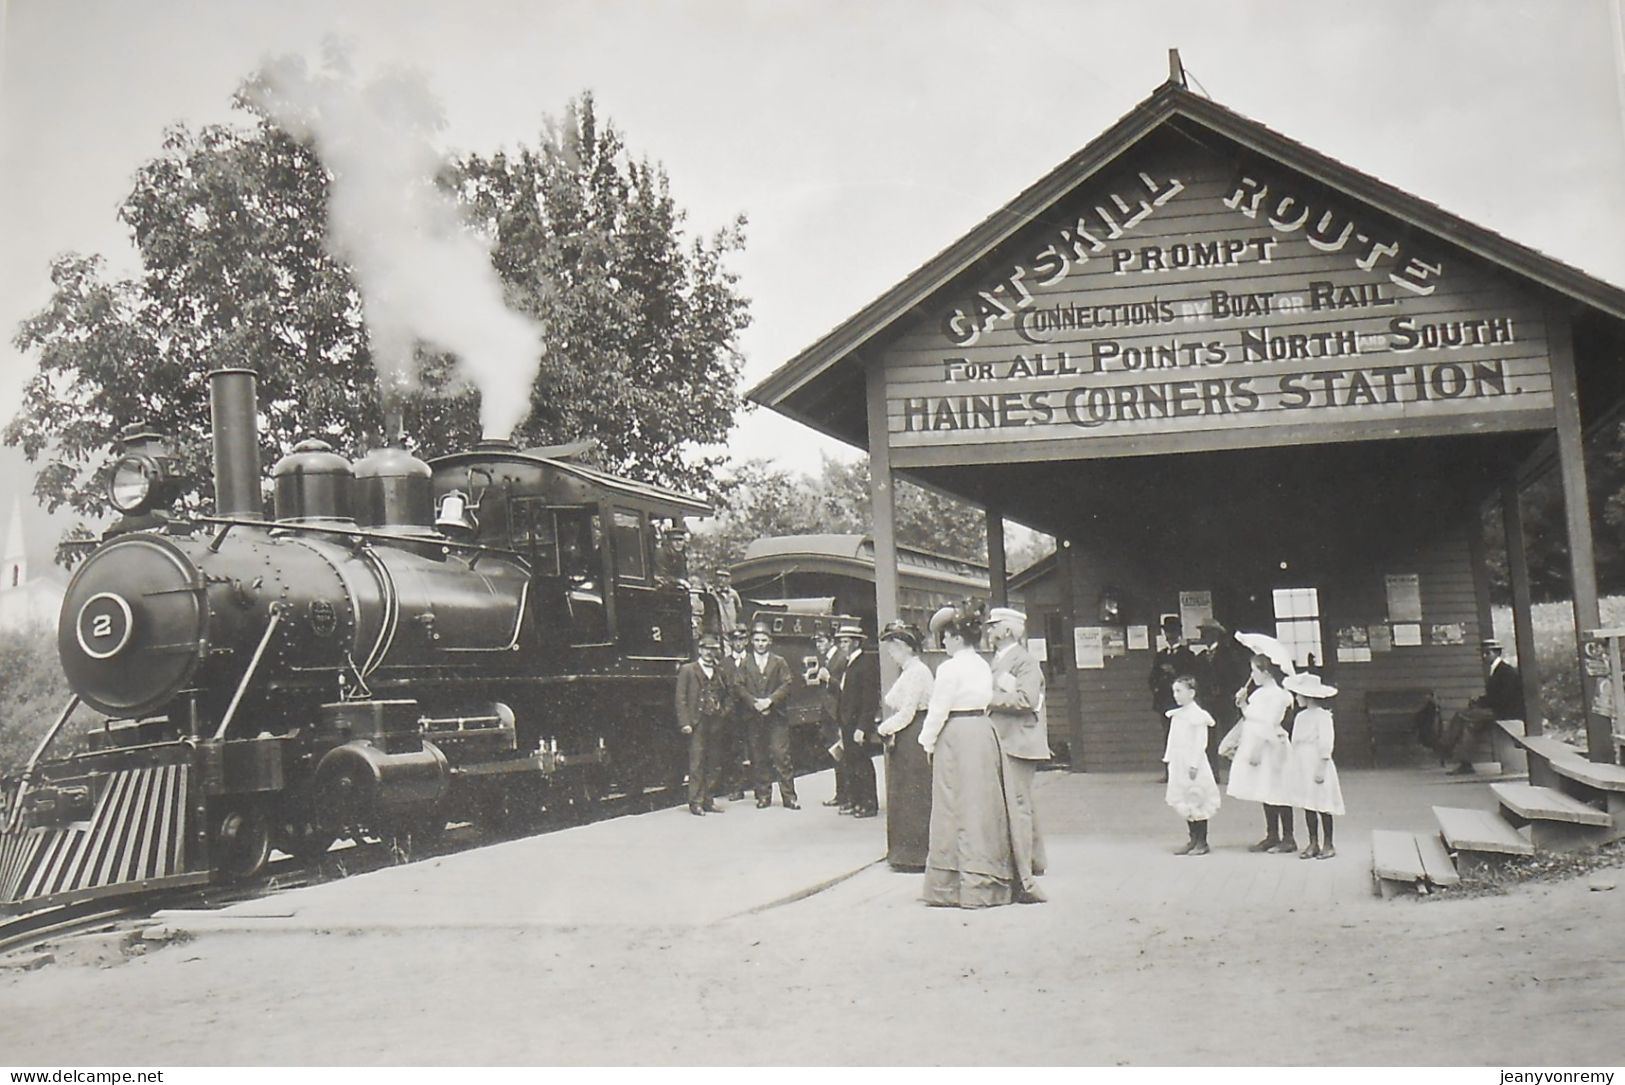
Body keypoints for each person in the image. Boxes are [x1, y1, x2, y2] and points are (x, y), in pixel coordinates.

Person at [920, 600, 1017, 909]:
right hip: (983, 733)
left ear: (957, 637)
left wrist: (927, 741)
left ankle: (951, 886)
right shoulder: (981, 663)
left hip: (956, 736)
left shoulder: (949, 668)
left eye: (945, 637)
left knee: (953, 807)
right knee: (983, 806)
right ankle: (987, 883)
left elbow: (938, 710)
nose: (944, 643)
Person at [985, 605, 1049, 903]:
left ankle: (1023, 872)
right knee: (1022, 804)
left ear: (1007, 630)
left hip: (1019, 741)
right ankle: (1033, 861)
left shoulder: (1023, 662)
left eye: (993, 625)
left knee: (1019, 806)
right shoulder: (1001, 660)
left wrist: (988, 698)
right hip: (1008, 739)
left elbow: (1027, 698)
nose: (988, 631)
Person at [1223, 653, 1297, 854]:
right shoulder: (1259, 694)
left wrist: (1257, 748)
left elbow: (1270, 722)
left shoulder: (1278, 695)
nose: (1252, 675)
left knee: (1278, 790)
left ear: (1265, 672)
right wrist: (1243, 703)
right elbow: (1253, 717)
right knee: (1264, 788)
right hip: (1258, 742)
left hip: (1271, 746)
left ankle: (1289, 837)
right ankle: (1272, 834)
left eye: (1255, 671)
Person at [875, 619, 933, 870]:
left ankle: (914, 855)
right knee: (905, 792)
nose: (890, 654)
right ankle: (904, 852)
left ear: (903, 647)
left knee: (913, 794)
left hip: (914, 735)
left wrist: (883, 728)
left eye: (892, 648)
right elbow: (893, 701)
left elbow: (907, 711)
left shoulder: (917, 672)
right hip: (908, 735)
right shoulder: (910, 671)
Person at [733, 621, 798, 809]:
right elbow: (738, 685)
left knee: (781, 756)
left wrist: (769, 701)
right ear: (751, 641)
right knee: (758, 756)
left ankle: (789, 797)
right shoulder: (745, 663)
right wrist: (754, 703)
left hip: (776, 716)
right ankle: (763, 796)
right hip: (754, 717)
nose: (760, 643)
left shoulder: (779, 662)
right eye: (757, 640)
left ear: (769, 641)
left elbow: (787, 684)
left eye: (764, 640)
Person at [1437, 639, 1526, 775]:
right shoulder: (1496, 670)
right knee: (1469, 726)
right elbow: (1495, 696)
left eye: (1487, 653)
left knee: (1462, 716)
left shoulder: (1506, 672)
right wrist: (1478, 701)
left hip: (1505, 713)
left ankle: (1446, 748)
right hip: (1496, 709)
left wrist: (1482, 703)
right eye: (1483, 654)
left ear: (1496, 653)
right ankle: (1461, 759)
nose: (1484, 657)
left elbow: (1503, 698)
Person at [1283, 672, 1344, 859]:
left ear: (1308, 697)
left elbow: (1326, 743)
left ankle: (1328, 843)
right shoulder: (1301, 717)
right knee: (1308, 803)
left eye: (1299, 695)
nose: (1296, 698)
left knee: (1322, 803)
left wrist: (1321, 766)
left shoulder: (1323, 716)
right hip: (1302, 762)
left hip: (1316, 761)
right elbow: (1295, 741)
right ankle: (1313, 842)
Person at [1164, 674, 1220, 855]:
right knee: (1184, 797)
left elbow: (1200, 742)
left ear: (1192, 693)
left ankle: (1202, 841)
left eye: (1179, 691)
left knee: (1197, 797)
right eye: (1174, 691)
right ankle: (1193, 838)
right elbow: (1172, 741)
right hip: (1179, 761)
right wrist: (1170, 759)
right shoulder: (1177, 715)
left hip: (1192, 763)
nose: (1176, 695)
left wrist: (1194, 764)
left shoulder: (1198, 716)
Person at [675, 632, 730, 816]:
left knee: (714, 762)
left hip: (715, 721)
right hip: (697, 722)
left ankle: (709, 799)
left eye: (713, 649)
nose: (709, 652)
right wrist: (685, 722)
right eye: (706, 648)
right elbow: (680, 698)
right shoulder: (688, 670)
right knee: (697, 762)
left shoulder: (719, 671)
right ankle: (695, 802)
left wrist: (723, 712)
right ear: (699, 650)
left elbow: (728, 694)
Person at [1196, 617, 1251, 784]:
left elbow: (1237, 676)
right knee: (1209, 740)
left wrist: (1228, 692)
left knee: (1232, 737)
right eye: (1202, 634)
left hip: (1225, 701)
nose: (1203, 637)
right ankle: (1213, 774)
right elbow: (1198, 679)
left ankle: (1239, 773)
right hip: (1208, 702)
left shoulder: (1228, 654)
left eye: (1206, 633)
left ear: (1215, 635)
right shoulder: (1201, 657)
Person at [835, 623, 880, 818]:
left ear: (855, 643)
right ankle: (857, 801)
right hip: (848, 724)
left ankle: (868, 804)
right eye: (840, 642)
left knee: (861, 763)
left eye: (845, 641)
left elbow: (869, 699)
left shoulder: (864, 664)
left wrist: (863, 726)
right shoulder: (850, 663)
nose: (842, 645)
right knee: (852, 763)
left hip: (857, 725)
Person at [1150, 616, 1199, 782]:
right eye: (1166, 632)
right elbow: (1152, 678)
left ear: (1178, 633)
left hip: (1181, 703)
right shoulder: (1161, 655)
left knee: (1184, 737)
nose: (1169, 635)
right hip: (1165, 703)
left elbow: (1191, 677)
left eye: (1172, 632)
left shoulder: (1187, 655)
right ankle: (1170, 772)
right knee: (1169, 738)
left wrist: (1174, 672)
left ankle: (1186, 771)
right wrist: (1157, 687)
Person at [812, 629, 850, 809]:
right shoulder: (828, 659)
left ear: (830, 641)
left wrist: (829, 679)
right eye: (817, 642)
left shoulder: (841, 658)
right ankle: (841, 794)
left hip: (838, 713)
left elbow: (845, 686)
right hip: (830, 713)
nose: (818, 646)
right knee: (836, 755)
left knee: (841, 755)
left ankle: (845, 795)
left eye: (821, 641)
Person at [716, 623, 753, 800]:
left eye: (742, 639)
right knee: (734, 751)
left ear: (747, 641)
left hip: (752, 712)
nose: (738, 643)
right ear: (730, 642)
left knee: (756, 749)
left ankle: (759, 786)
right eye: (735, 640)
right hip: (732, 715)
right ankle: (736, 787)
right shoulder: (724, 664)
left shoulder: (753, 660)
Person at [712, 567, 742, 634]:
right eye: (719, 576)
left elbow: (739, 609)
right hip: (716, 631)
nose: (721, 579)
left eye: (725, 577)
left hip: (730, 630)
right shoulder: (711, 593)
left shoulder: (733, 594)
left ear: (729, 579)